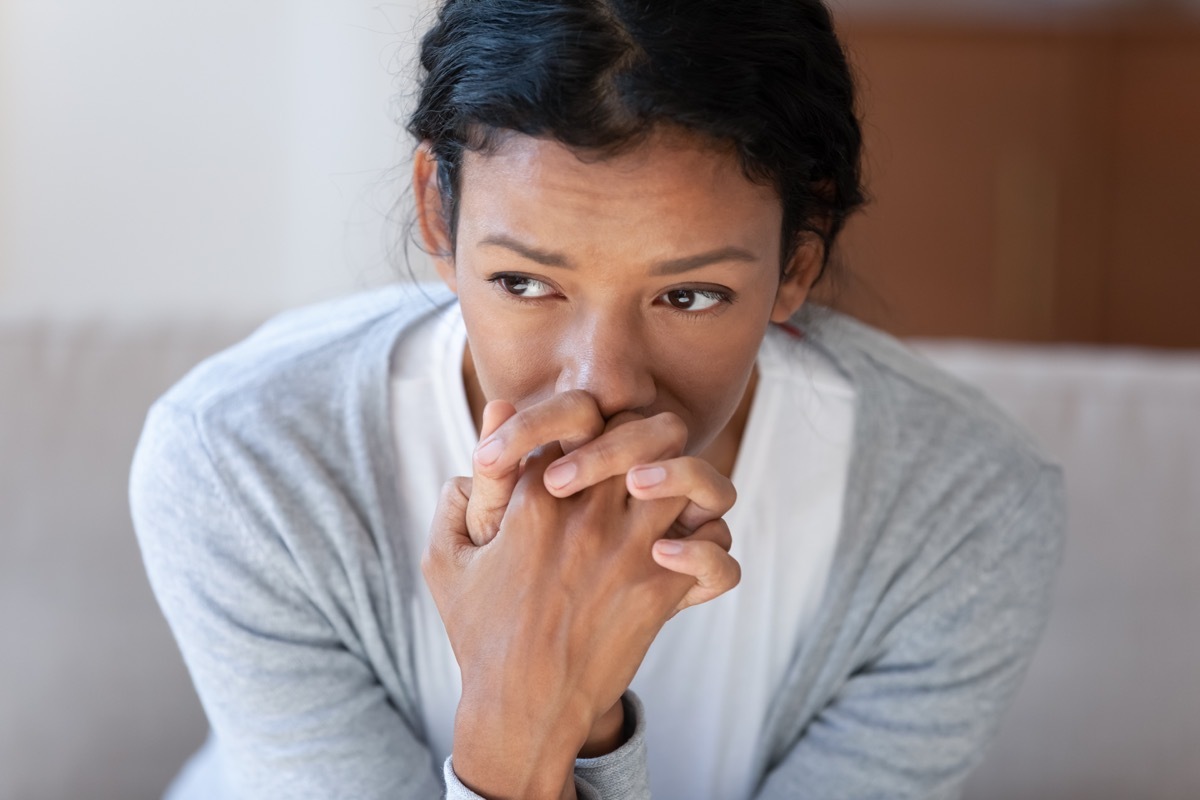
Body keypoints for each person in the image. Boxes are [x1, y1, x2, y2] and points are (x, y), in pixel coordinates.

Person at [129, 1, 1065, 798]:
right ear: (439, 213)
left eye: (690, 296)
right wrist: (526, 709)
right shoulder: (244, 462)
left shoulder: (964, 511)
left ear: (799, 259)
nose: (603, 384)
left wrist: (584, 720)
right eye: (527, 284)